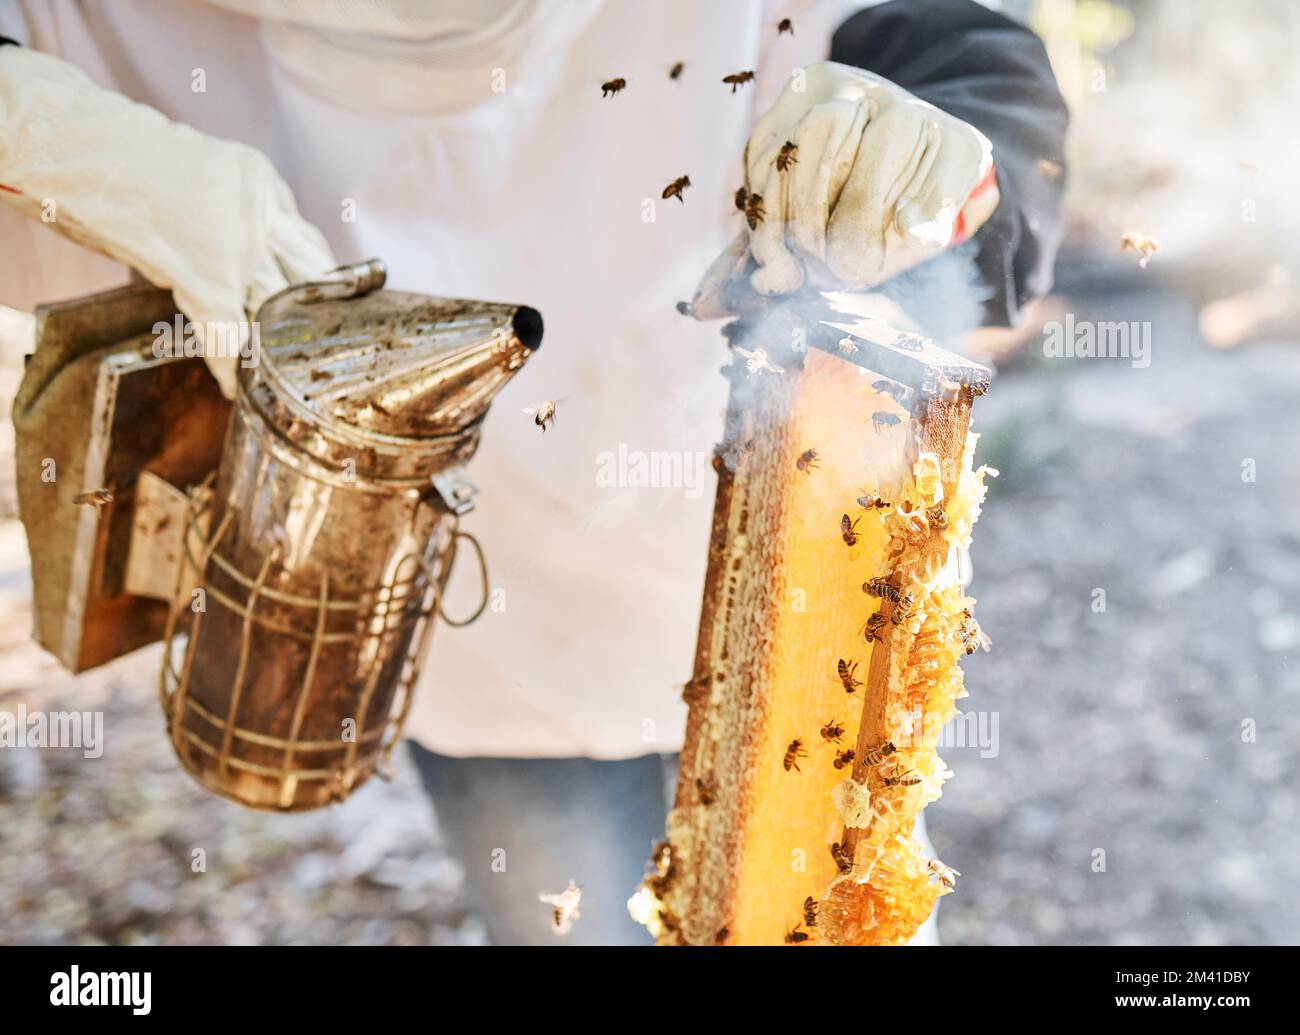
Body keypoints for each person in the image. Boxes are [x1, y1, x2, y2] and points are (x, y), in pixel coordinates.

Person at [0, 0, 1066, 944]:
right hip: (467, 603)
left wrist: (947, 142)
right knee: (569, 918)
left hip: (764, 518)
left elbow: (958, 44)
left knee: (827, 895)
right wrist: (68, 143)